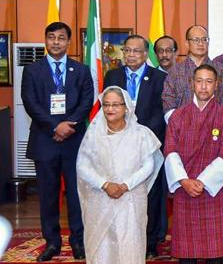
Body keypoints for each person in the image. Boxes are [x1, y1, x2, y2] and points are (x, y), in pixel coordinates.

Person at [21, 22, 93, 261]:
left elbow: (87, 101)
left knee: (76, 195)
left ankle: (78, 242)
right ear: (46, 40)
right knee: (48, 196)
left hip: (74, 142)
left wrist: (69, 125)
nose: (56, 42)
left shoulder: (80, 70)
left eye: (61, 38)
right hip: (45, 140)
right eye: (51, 37)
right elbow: (31, 103)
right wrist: (55, 126)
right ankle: (52, 243)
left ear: (68, 42)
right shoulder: (33, 70)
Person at [76, 86, 164, 264]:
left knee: (129, 242)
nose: (110, 109)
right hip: (100, 197)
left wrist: (125, 186)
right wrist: (105, 185)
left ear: (126, 107)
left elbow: (149, 165)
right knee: (102, 245)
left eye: (116, 104)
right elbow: (82, 166)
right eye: (106, 104)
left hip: (131, 197)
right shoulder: (93, 134)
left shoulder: (141, 134)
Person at [164, 64, 223, 263]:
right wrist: (184, 181)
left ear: (217, 85)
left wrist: (203, 181)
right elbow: (170, 151)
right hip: (184, 190)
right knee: (186, 255)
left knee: (216, 253)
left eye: (209, 82)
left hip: (214, 191)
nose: (204, 87)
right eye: (199, 81)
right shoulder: (178, 116)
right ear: (191, 84)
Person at [103, 34, 168, 258]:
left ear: (145, 54)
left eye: (136, 51)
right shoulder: (112, 75)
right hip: (117, 146)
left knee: (149, 194)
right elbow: (107, 110)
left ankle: (149, 242)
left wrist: (140, 136)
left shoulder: (160, 78)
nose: (131, 55)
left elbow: (161, 113)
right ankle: (119, 238)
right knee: (120, 192)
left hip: (147, 144)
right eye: (127, 50)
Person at [162, 25, 223, 123]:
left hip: (214, 128)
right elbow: (168, 103)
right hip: (182, 128)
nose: (201, 43)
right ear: (187, 43)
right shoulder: (175, 71)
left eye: (204, 39)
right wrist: (181, 124)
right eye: (196, 40)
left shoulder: (220, 69)